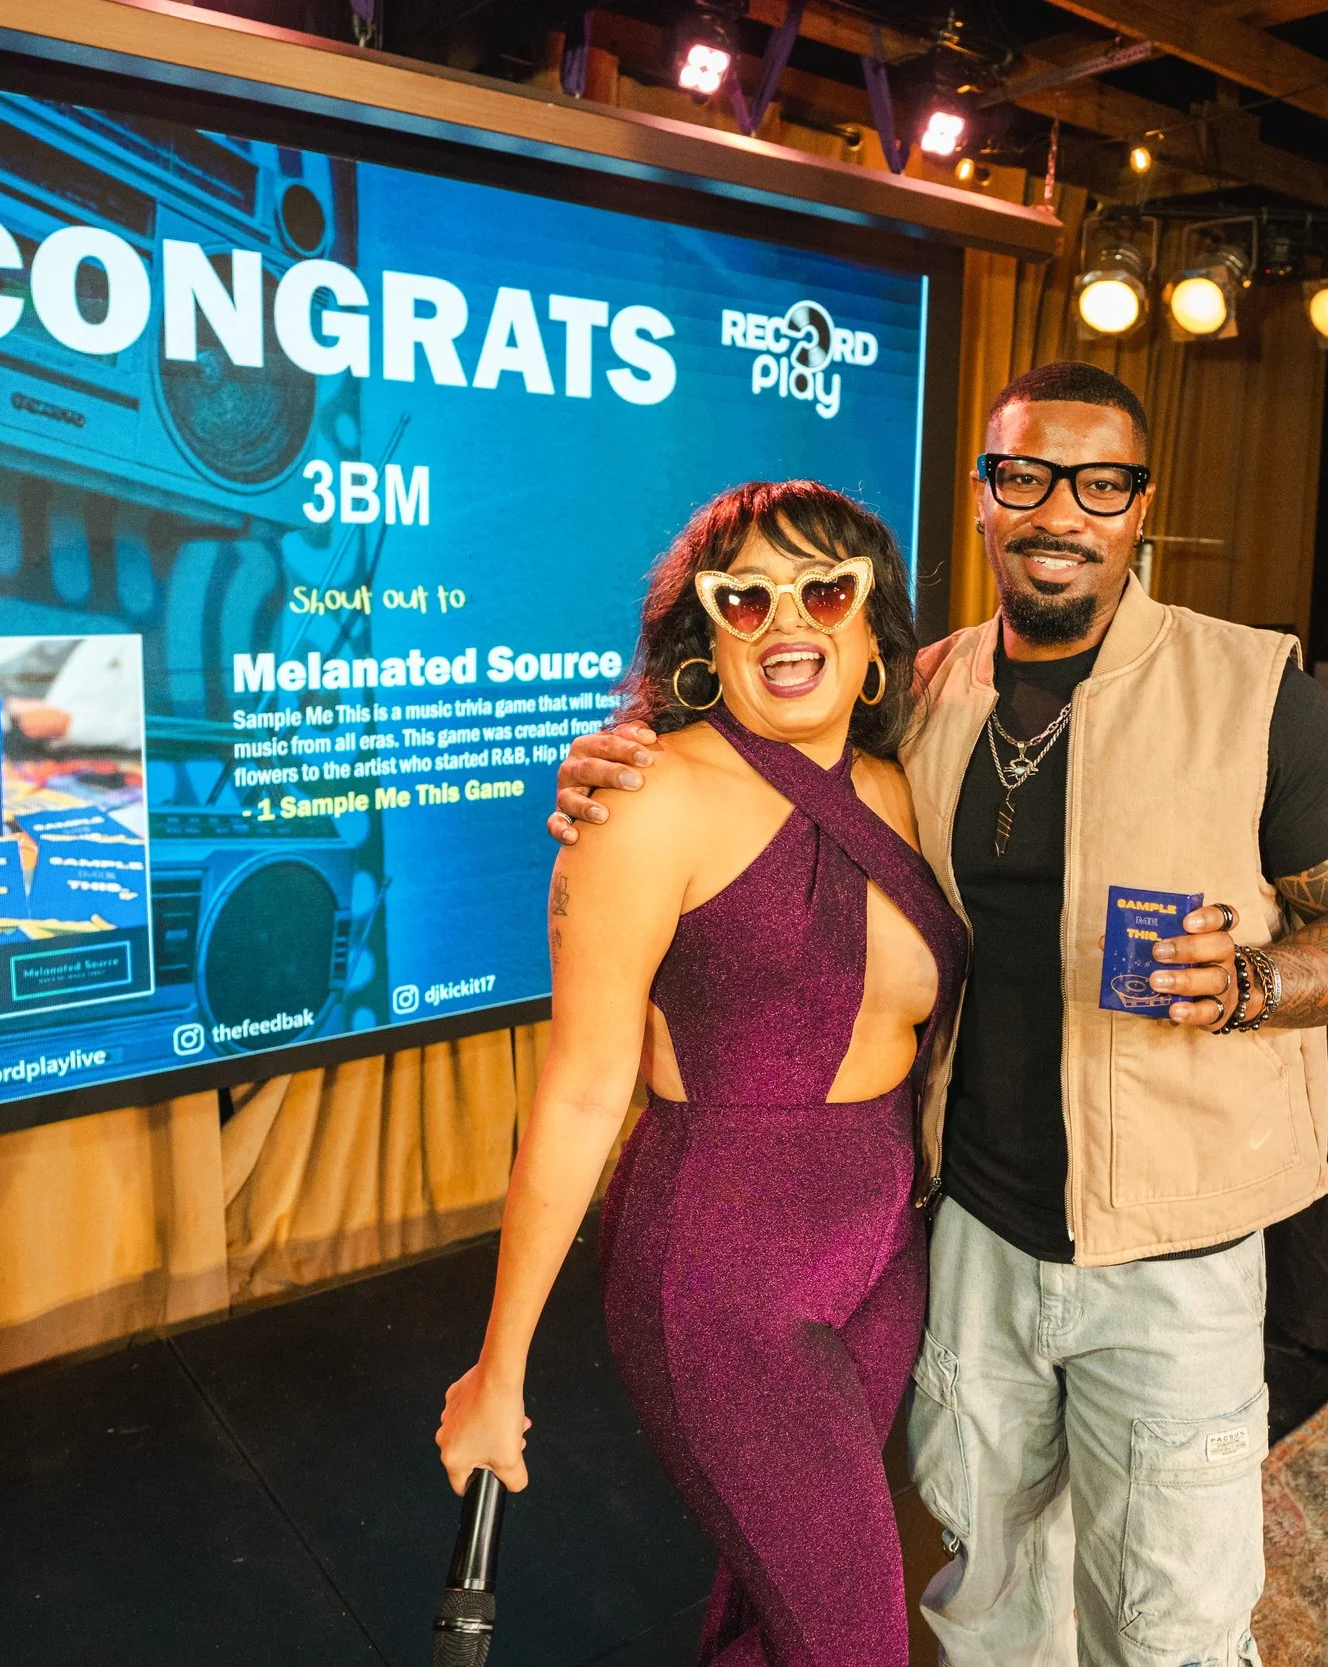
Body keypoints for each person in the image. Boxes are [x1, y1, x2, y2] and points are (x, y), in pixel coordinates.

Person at [554, 362, 1328, 1666]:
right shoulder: (923, 688)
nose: (1059, 509)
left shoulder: (1250, 692)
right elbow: (757, 732)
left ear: (1141, 507)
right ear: (983, 498)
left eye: (1100, 482)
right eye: (1023, 476)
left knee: (1173, 1614)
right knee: (995, 1591)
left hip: (1168, 1251)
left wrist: (1254, 981)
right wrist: (610, 759)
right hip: (966, 1233)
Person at [436, 480, 966, 1667]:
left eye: (824, 588)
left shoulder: (895, 783)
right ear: (706, 633)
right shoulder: (648, 798)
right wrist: (498, 1364)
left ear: (872, 618)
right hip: (719, 1271)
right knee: (854, 1640)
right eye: (748, 596)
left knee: (768, 1609)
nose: (790, 618)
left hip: (882, 1250)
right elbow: (578, 1093)